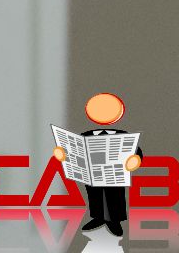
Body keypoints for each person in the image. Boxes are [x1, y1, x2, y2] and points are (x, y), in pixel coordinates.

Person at [53, 90, 143, 237]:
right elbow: (74, 151)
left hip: (114, 173)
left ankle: (114, 220)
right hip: (92, 173)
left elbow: (135, 151)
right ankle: (98, 217)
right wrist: (64, 155)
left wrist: (135, 160)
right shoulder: (85, 136)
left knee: (114, 195)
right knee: (94, 195)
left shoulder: (123, 135)